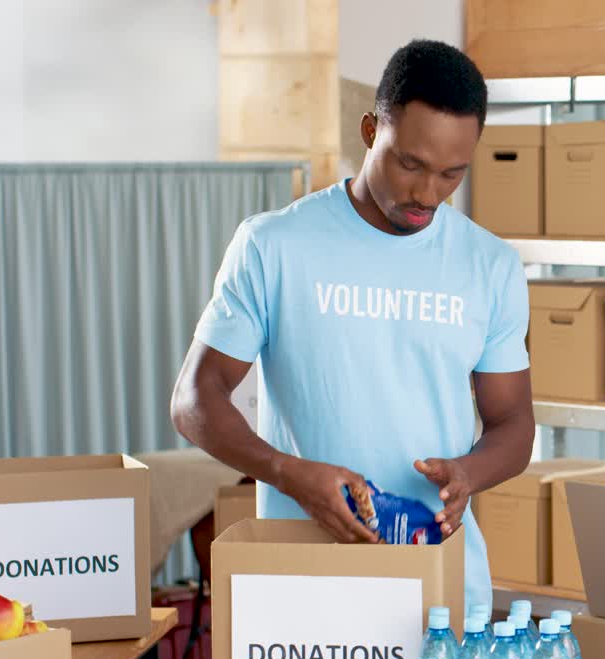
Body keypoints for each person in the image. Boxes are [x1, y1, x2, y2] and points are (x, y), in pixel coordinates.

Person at [170, 40, 535, 610]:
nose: (427, 194)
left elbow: (513, 423)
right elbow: (194, 399)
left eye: (451, 173)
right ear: (370, 130)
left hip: (439, 588)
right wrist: (287, 474)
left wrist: (468, 473)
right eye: (409, 163)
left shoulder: (490, 266)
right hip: (303, 589)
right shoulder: (274, 245)